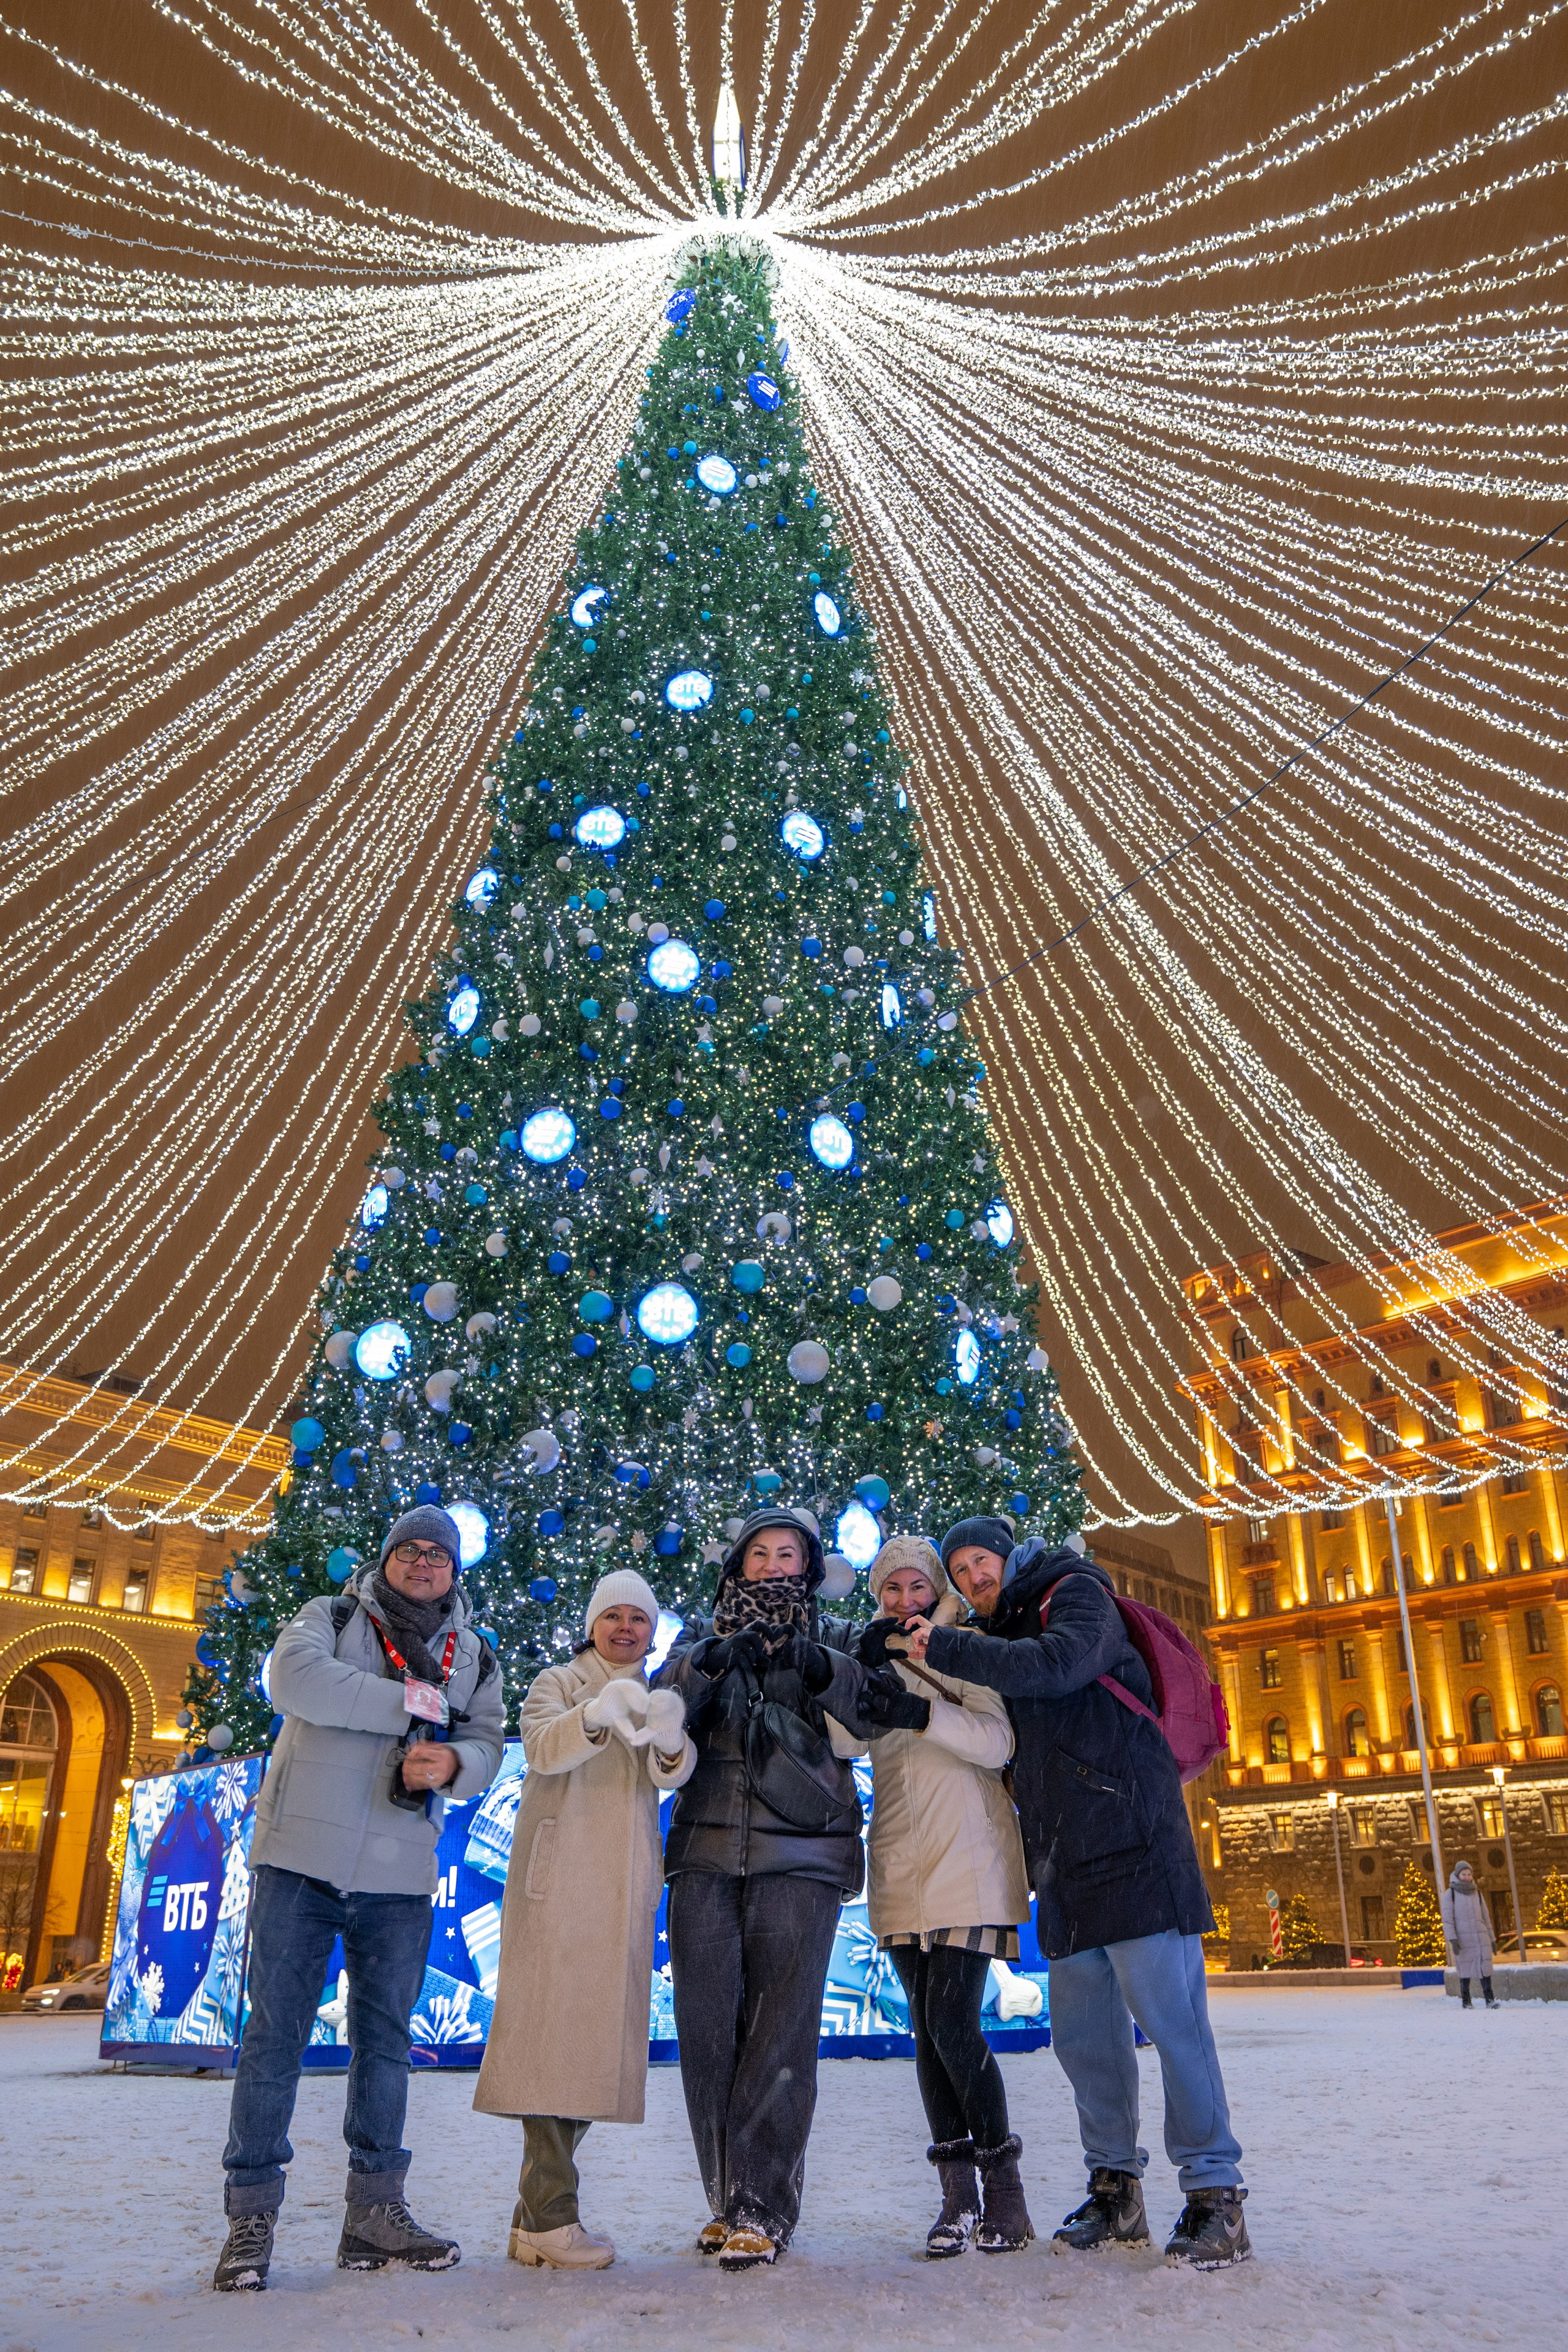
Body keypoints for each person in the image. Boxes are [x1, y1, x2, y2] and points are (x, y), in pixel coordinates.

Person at [903, 1518, 1250, 2269]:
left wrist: (950, 1644)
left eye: (979, 1562)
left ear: (1009, 1555)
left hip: (1135, 1846)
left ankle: (1214, 2196)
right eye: (958, 1572)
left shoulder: (1074, 1590)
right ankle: (1115, 2189)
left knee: (1174, 2029)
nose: (970, 1579)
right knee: (1085, 2042)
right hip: (1062, 1865)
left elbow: (1059, 1665)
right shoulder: (999, 1633)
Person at [214, 1505, 505, 2291]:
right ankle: (252, 2218)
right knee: (274, 2042)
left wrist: (452, 1765)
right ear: (387, 1559)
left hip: (399, 1874)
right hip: (298, 1863)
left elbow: (486, 1739)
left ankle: (373, 2215)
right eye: (408, 1551)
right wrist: (412, 1705)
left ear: (454, 1571)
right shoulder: (331, 1615)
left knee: (385, 2047)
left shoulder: (473, 1653)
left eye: (437, 1556)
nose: (421, 1564)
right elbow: (294, 1680)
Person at [656, 1506, 925, 2269]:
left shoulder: (835, 1636)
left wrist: (822, 1669)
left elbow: (879, 1709)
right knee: (707, 2036)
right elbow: (661, 1702)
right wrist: (711, 1661)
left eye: (788, 1555)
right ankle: (725, 2194)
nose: (774, 1566)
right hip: (704, 1857)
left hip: (803, 1855)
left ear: (806, 1568)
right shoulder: (697, 1639)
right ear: (737, 1566)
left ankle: (762, 2205)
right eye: (760, 1554)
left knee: (779, 2033)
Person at [474, 1568, 695, 2267]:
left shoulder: (663, 1690)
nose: (626, 1628)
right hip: (560, 1886)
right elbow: (541, 1747)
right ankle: (550, 2216)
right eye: (614, 1616)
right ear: (593, 1622)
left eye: (639, 1618)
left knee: (588, 2049)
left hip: (621, 1890)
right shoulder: (558, 1682)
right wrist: (598, 1714)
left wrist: (668, 1738)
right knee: (551, 2045)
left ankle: (530, 2219)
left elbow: (671, 1772)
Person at [850, 1535, 1033, 2257]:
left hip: (970, 1859)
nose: (903, 1602)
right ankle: (956, 2200)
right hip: (900, 1864)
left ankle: (1005, 2193)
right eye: (889, 1591)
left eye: (915, 1588)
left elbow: (998, 1743)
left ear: (936, 1593)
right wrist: (855, 1685)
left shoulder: (967, 1646)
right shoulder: (875, 1656)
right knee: (928, 2035)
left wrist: (922, 1711)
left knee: (953, 2022)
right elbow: (845, 1744)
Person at [1441, 1860, 1498, 2009]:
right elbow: (1448, 1920)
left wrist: (1492, 1939)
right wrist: (1453, 1940)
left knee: (1486, 1968)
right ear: (1457, 1875)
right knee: (1465, 1970)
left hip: (1481, 1937)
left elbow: (1486, 1917)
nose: (1467, 1877)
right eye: (1463, 1874)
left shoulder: (1477, 1894)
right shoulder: (1450, 1894)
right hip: (1463, 1939)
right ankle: (1466, 2001)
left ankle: (1490, 2000)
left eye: (1469, 1874)